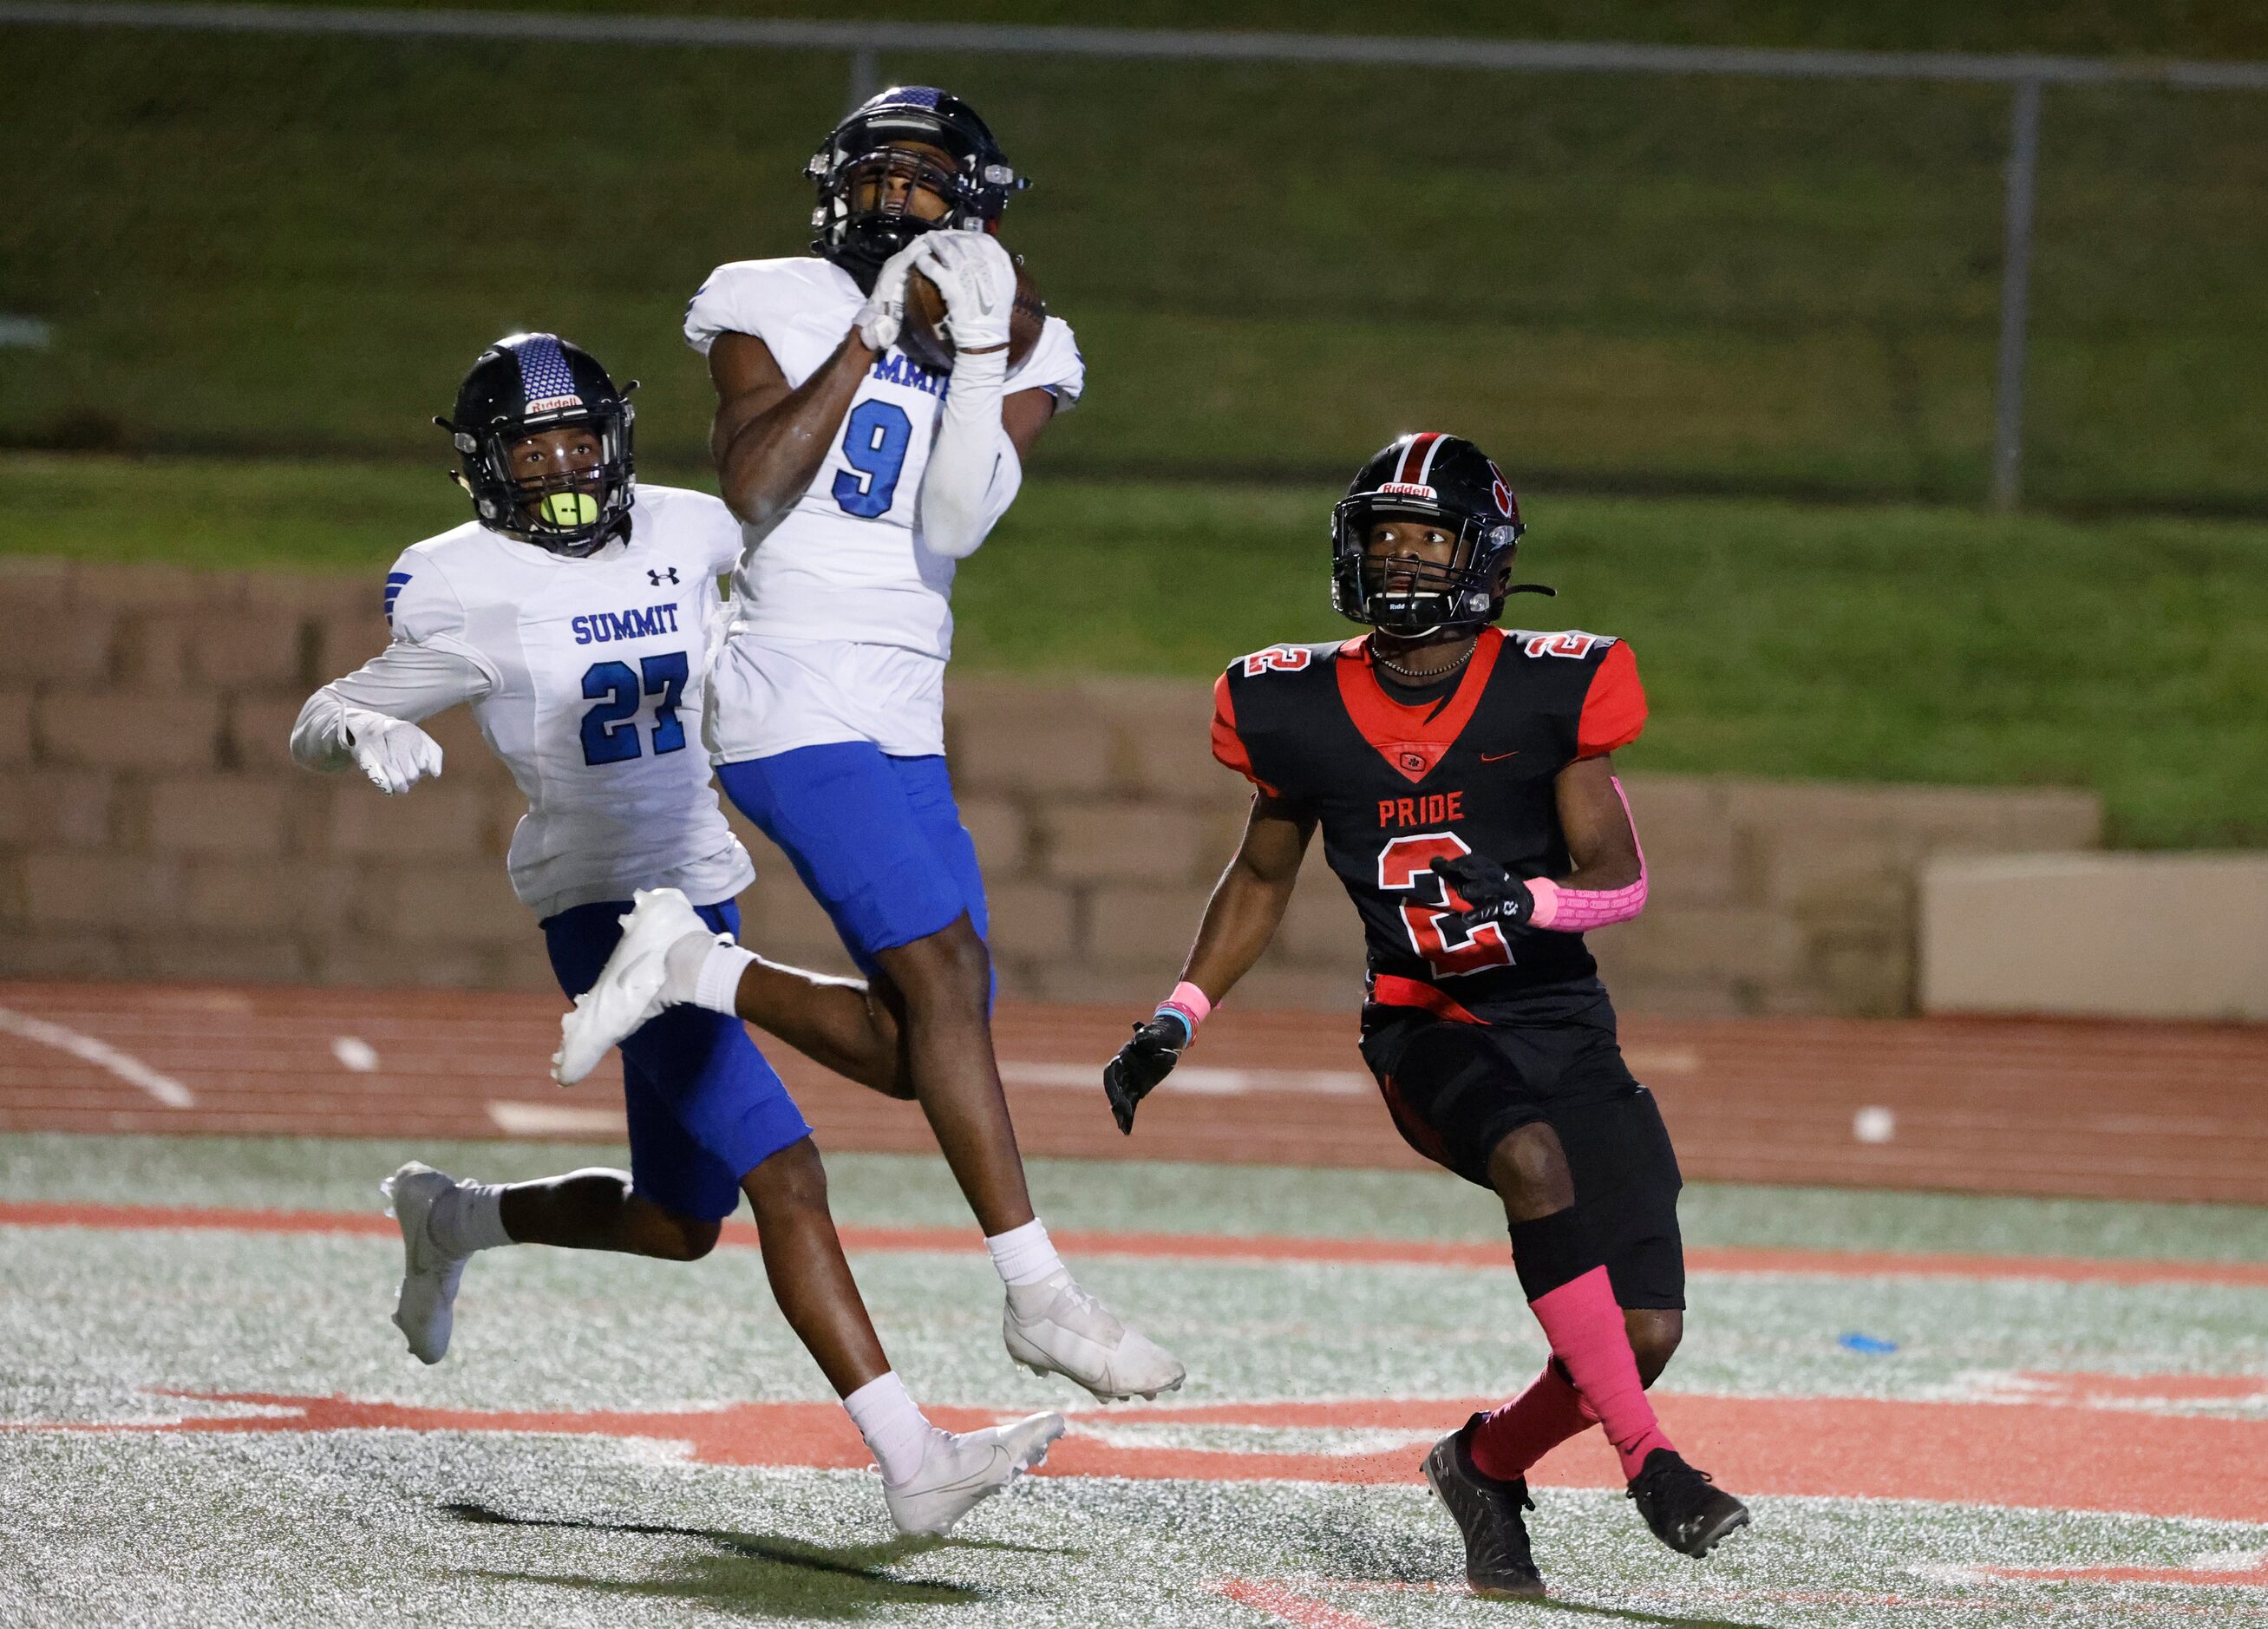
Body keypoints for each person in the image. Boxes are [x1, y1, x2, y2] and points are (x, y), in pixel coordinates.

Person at [289, 333, 1061, 1537]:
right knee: (787, 1172)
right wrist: (352, 729)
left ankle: (453, 1216)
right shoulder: (455, 577)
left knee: (679, 1219)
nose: (558, 459)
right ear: (486, 465)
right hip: (598, 905)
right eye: (530, 442)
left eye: (574, 434)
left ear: (613, 436)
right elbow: (330, 706)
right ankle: (913, 1459)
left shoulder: (695, 527)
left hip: (701, 887)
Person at [1097, 433, 1751, 1595]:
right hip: (1421, 1022)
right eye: (1382, 538)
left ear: (1484, 555)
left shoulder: (1554, 683)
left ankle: (1482, 1463)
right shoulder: (1287, 703)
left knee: (1643, 1332)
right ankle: (1651, 1462)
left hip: (1557, 1014)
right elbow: (1259, 878)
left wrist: (1534, 897)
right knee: (1529, 1158)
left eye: (1425, 539)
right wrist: (1179, 1011)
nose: (1399, 562)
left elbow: (1623, 875)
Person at [670, 84, 1182, 1403]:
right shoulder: (765, 294)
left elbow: (955, 520)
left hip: (904, 706)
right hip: (787, 687)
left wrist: (963, 356)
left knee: (929, 1039)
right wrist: (867, 335)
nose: (896, 201)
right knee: (947, 970)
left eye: (924, 180)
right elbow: (754, 484)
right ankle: (1040, 1294)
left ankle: (697, 971)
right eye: (878, 177)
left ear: (980, 204)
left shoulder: (1034, 338)